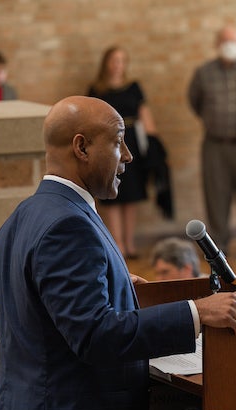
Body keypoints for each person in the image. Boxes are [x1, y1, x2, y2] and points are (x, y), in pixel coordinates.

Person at [0, 96, 236, 410]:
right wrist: (197, 312)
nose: (129, 156)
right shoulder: (68, 225)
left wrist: (114, 285)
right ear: (81, 147)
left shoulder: (26, 216)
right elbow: (94, 336)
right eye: (118, 141)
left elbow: (15, 314)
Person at [188, 25, 236, 258]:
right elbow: (195, 101)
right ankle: (219, 244)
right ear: (217, 44)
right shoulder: (203, 73)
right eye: (224, 40)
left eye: (233, 41)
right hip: (216, 145)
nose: (229, 45)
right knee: (216, 195)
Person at [88, 46, 157, 258]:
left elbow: (144, 114)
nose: (117, 65)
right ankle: (117, 242)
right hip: (109, 143)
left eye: (121, 60)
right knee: (112, 194)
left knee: (132, 193)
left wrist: (154, 141)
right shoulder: (97, 89)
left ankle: (129, 242)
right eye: (113, 60)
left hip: (133, 142)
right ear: (106, 63)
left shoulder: (133, 87)